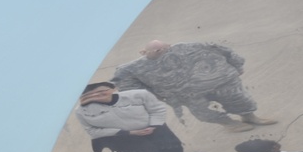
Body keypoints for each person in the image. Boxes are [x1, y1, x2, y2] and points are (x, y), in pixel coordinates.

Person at [112, 40, 277, 133]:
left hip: (220, 82)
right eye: (155, 51)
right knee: (204, 111)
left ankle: (249, 116)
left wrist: (237, 65)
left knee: (239, 98)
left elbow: (224, 50)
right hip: (186, 94)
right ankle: (228, 123)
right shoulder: (132, 68)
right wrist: (153, 96)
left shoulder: (191, 46)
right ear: (143, 52)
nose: (161, 52)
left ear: (169, 45)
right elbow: (128, 85)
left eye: (163, 48)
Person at [74, 81, 186, 152]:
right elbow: (92, 131)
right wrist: (126, 133)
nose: (95, 96)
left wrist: (154, 125)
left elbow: (157, 109)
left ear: (113, 89)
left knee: (171, 145)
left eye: (101, 92)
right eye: (89, 95)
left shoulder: (139, 95)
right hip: (123, 137)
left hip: (153, 127)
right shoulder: (81, 112)